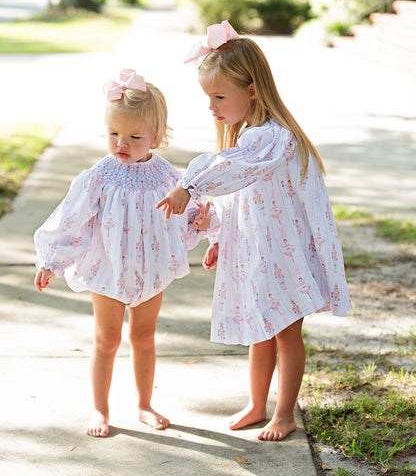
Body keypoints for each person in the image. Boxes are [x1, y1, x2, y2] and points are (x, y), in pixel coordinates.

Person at [156, 22, 352, 441]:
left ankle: (285, 413)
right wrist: (219, 238)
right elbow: (237, 198)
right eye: (208, 97)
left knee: (285, 332)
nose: (212, 106)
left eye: (219, 97)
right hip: (256, 251)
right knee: (259, 330)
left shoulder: (274, 140)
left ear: (252, 91)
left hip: (284, 255)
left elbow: (234, 173)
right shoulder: (250, 136)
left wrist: (189, 186)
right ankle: (256, 403)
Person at [34, 69, 218, 438]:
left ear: (157, 136)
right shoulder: (100, 176)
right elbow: (73, 217)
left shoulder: (168, 177)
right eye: (114, 134)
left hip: (150, 271)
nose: (122, 142)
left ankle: (143, 404)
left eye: (134, 136)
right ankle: (100, 410)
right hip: (108, 270)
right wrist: (52, 260)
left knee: (144, 337)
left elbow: (187, 213)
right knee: (107, 340)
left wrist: (204, 226)